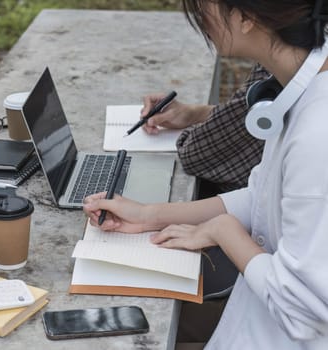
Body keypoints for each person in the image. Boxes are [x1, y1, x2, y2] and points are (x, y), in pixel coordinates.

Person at [84, 0, 328, 348]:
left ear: (246, 18)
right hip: (253, 313)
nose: (198, 19)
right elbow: (262, 196)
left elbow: (303, 309)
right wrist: (148, 215)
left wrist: (224, 232)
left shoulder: (318, 133)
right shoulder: (299, 85)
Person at [141, 65, 269, 194]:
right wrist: (192, 114)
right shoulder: (275, 67)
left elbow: (193, 154)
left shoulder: (271, 74)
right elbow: (238, 113)